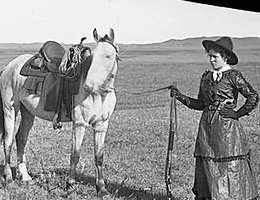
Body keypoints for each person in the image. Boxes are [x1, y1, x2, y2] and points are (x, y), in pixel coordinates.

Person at [170, 37, 259, 200]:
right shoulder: (206, 78)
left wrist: (236, 114)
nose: (211, 60)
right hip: (207, 130)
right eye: (209, 56)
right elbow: (200, 104)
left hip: (228, 132)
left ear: (225, 57)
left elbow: (253, 96)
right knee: (208, 166)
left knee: (229, 168)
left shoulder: (233, 76)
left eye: (215, 56)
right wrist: (179, 96)